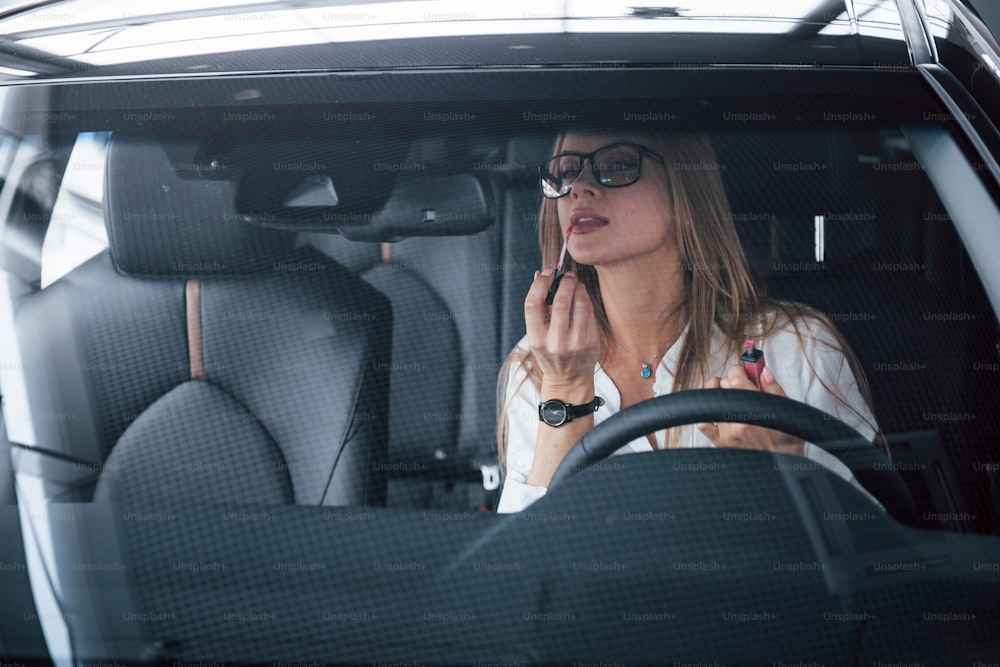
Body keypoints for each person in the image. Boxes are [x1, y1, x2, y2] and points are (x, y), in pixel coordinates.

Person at [495, 127, 882, 513]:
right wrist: (564, 386)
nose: (578, 187)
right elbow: (523, 560)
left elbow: (870, 549)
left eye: (618, 165)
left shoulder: (794, 347)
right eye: (565, 172)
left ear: (685, 187)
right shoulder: (535, 367)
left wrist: (781, 469)